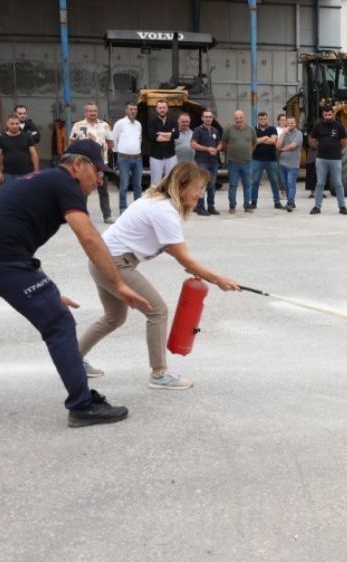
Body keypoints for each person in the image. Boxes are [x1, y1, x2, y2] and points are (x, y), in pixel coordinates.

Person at [0, 140, 151, 428]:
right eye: (97, 170)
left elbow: (17, 235)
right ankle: (83, 405)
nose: (100, 179)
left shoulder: (43, 180)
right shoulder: (65, 182)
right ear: (78, 165)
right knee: (59, 323)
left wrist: (45, 287)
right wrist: (118, 284)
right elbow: (90, 237)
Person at [78, 161, 241, 388]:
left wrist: (195, 269)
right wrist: (218, 279)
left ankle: (73, 360)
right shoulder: (163, 210)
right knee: (158, 311)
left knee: (114, 318)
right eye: (198, 188)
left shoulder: (156, 200)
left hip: (102, 260)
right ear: (182, 185)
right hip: (114, 264)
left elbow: (173, 251)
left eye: (203, 188)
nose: (201, 194)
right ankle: (159, 373)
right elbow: (184, 258)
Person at [70, 102, 114, 224]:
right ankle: (82, 216)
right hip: (84, 165)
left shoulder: (105, 126)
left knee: (103, 191)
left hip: (100, 165)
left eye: (95, 111)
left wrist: (100, 151)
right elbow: (71, 144)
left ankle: (107, 216)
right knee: (83, 191)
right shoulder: (78, 126)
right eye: (90, 111)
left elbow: (111, 143)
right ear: (85, 112)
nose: (93, 113)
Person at [309, 105, 347, 215]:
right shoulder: (318, 125)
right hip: (321, 159)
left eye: (330, 114)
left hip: (335, 159)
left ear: (333, 114)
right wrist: (320, 147)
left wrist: (335, 149)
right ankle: (317, 207)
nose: (328, 116)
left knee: (338, 183)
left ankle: (342, 206)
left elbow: (344, 142)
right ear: (323, 115)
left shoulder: (339, 126)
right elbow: (313, 139)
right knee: (320, 183)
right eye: (326, 115)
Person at [220, 110, 255, 213]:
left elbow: (254, 143)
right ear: (234, 119)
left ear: (244, 117)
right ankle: (232, 206)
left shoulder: (251, 130)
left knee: (247, 185)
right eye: (236, 118)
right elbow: (223, 142)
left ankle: (247, 205)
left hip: (247, 162)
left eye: (240, 117)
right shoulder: (229, 129)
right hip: (233, 162)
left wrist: (249, 152)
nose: (239, 120)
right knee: (233, 185)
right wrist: (230, 151)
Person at [112, 102, 144, 213]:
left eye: (135, 109)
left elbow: (139, 139)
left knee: (138, 186)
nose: (133, 111)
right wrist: (118, 153)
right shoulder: (120, 123)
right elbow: (114, 139)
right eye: (131, 109)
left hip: (137, 158)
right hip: (124, 159)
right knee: (124, 185)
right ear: (126, 110)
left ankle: (137, 208)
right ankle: (123, 207)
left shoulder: (138, 124)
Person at [190, 109, 221, 216]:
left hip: (213, 162)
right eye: (206, 117)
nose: (208, 119)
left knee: (212, 186)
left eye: (210, 117)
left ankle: (211, 206)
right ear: (202, 118)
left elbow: (219, 144)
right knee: (201, 186)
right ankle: (200, 207)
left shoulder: (215, 131)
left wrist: (217, 149)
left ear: (212, 118)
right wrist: (207, 149)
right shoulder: (197, 130)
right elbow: (193, 144)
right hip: (202, 162)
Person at [0, 113, 39, 185]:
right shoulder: (1, 139)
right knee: (9, 194)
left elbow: (34, 154)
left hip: (26, 173)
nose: (15, 126)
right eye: (12, 124)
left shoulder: (28, 137)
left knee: (25, 194)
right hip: (8, 174)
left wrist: (36, 171)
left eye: (17, 123)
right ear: (7, 124)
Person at [251, 111, 283, 210]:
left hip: (271, 160)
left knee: (274, 181)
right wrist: (265, 138)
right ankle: (253, 202)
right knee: (255, 181)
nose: (263, 120)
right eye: (261, 119)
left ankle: (277, 202)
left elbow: (273, 141)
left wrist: (260, 140)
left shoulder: (272, 129)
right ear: (258, 119)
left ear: (267, 119)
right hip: (257, 160)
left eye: (264, 118)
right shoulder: (253, 129)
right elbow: (253, 141)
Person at [147, 99, 179, 184]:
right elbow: (152, 136)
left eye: (164, 108)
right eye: (160, 108)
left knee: (171, 181)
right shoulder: (151, 121)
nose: (162, 110)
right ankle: (155, 197)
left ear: (167, 109)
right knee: (155, 182)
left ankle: (169, 197)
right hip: (156, 157)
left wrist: (161, 133)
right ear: (156, 109)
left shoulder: (173, 121)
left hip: (171, 156)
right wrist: (170, 135)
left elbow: (176, 135)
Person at [276, 115, 303, 212]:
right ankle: (291, 201)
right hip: (282, 163)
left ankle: (290, 203)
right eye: (288, 123)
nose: (290, 124)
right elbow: (278, 145)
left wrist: (282, 149)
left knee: (291, 184)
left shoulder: (299, 134)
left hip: (293, 164)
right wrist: (283, 132)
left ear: (295, 124)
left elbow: (293, 145)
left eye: (292, 123)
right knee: (285, 184)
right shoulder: (285, 133)